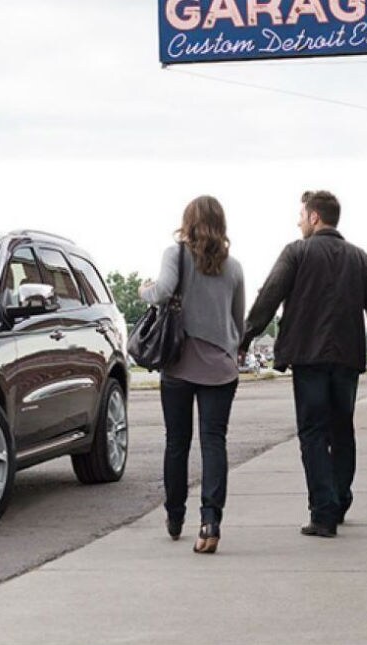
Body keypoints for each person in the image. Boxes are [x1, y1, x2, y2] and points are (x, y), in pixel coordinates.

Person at [240, 190, 367, 538]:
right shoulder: (362, 260)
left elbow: (268, 297)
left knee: (313, 432)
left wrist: (243, 339)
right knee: (342, 429)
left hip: (308, 358)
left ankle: (323, 513)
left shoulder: (296, 252)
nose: (298, 221)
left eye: (301, 215)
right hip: (346, 359)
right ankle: (340, 499)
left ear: (315, 217)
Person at [139, 195, 245, 553]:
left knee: (177, 442)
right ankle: (210, 521)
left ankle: (174, 515)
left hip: (179, 364)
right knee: (214, 442)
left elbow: (163, 291)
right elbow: (238, 321)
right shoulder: (234, 267)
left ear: (188, 221)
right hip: (220, 368)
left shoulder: (176, 255)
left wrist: (144, 290)